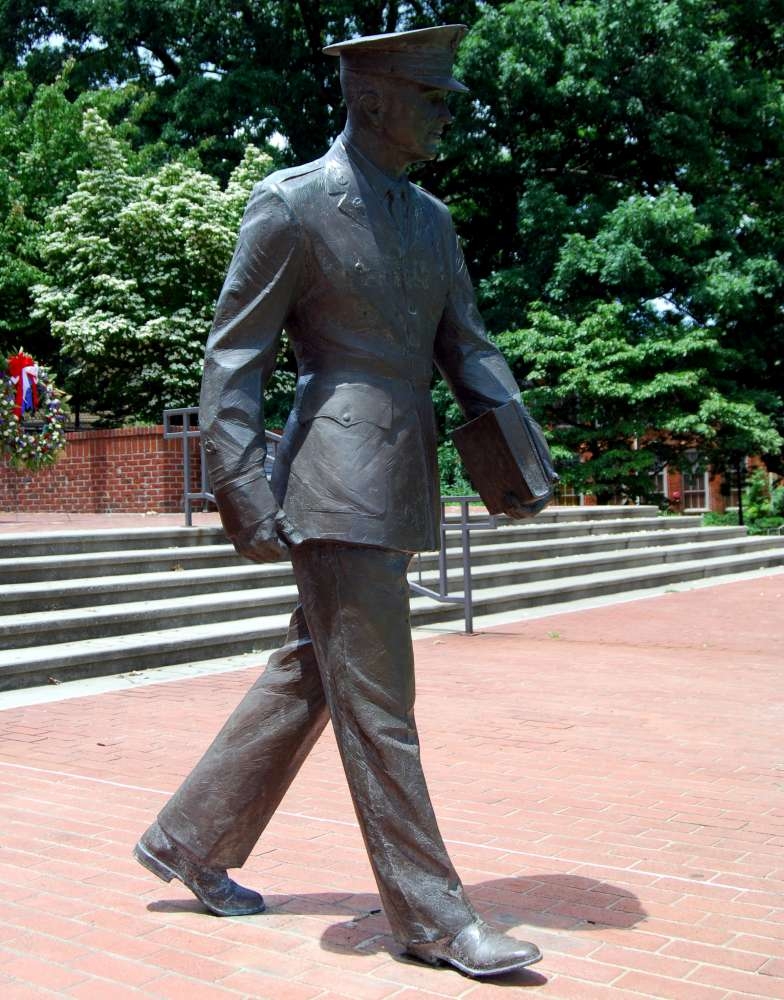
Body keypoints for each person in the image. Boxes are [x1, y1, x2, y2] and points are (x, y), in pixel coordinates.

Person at [134, 24, 542, 978]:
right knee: (379, 703)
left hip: (400, 476)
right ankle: (434, 918)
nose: (443, 115)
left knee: (317, 669)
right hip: (332, 474)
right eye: (427, 96)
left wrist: (517, 443)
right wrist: (239, 485)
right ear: (370, 100)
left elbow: (468, 345)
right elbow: (235, 357)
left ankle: (188, 838)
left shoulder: (432, 222)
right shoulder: (293, 206)